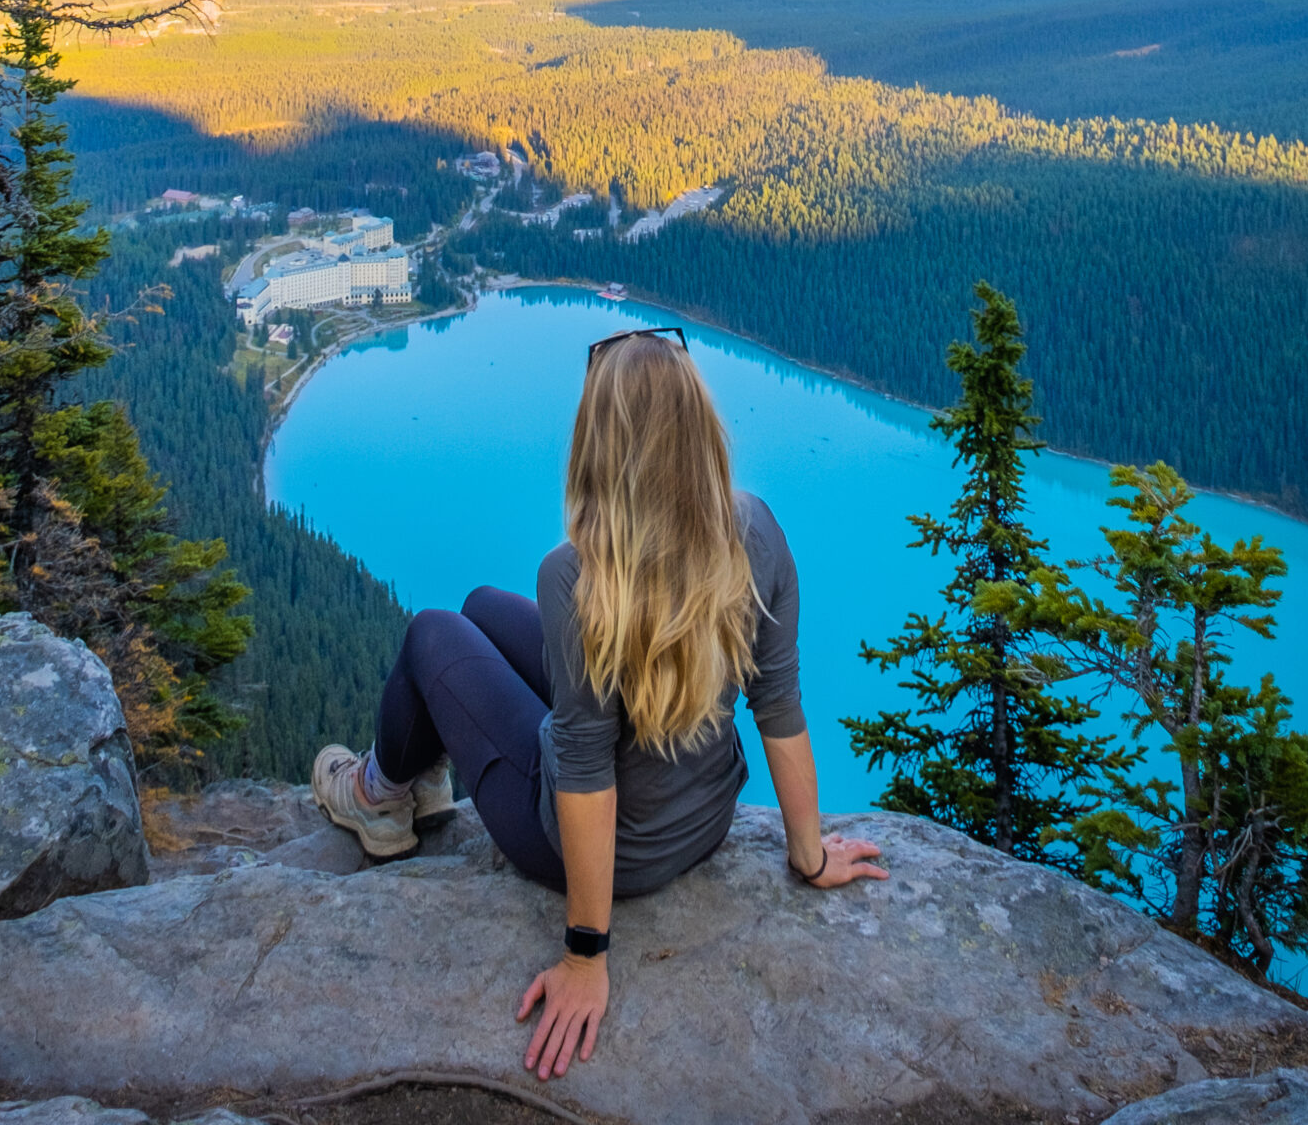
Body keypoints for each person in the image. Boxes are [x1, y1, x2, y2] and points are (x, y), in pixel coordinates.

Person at [313, 324, 887, 1083]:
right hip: (706, 819)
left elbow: (583, 765)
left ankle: (376, 798)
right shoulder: (756, 530)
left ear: (600, 440)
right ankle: (415, 779)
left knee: (432, 633)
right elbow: (778, 702)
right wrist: (808, 857)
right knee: (483, 604)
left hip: (603, 853)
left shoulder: (577, 575)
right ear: (697, 427)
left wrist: (586, 954)